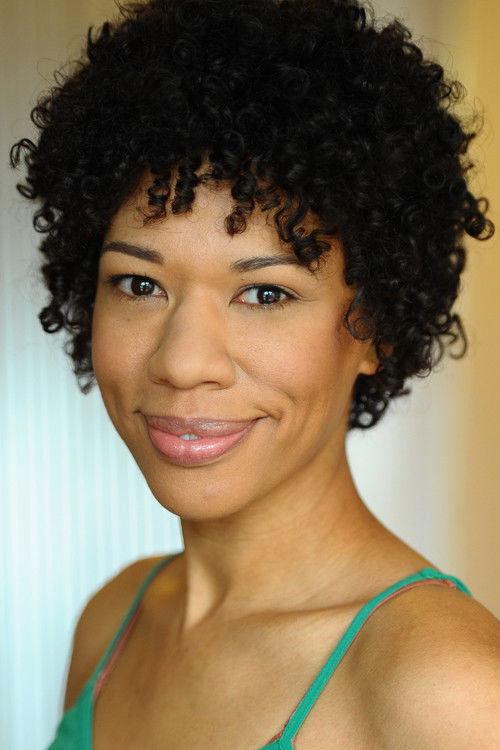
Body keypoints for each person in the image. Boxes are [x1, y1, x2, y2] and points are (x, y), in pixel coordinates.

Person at [10, 0, 500, 747]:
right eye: (139, 284)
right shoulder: (113, 623)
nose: (182, 363)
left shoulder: (447, 688)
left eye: (265, 294)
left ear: (377, 325)